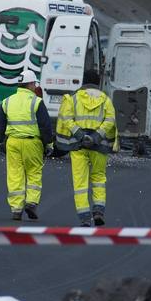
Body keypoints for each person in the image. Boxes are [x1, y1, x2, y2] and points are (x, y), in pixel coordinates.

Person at [55, 69, 116, 226]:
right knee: (98, 178)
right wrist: (96, 137)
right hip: (99, 146)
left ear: (84, 82)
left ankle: (84, 218)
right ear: (98, 83)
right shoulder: (106, 100)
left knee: (80, 183)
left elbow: (66, 119)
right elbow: (110, 121)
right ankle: (98, 211)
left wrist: (81, 135)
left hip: (78, 146)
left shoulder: (74, 99)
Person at [0, 69, 53, 221]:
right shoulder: (37, 102)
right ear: (30, 84)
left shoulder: (7, 101)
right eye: (34, 84)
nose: (35, 86)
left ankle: (16, 209)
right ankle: (31, 203)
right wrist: (49, 144)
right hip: (32, 143)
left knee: (15, 175)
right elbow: (45, 126)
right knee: (34, 173)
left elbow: (0, 123)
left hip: (13, 142)